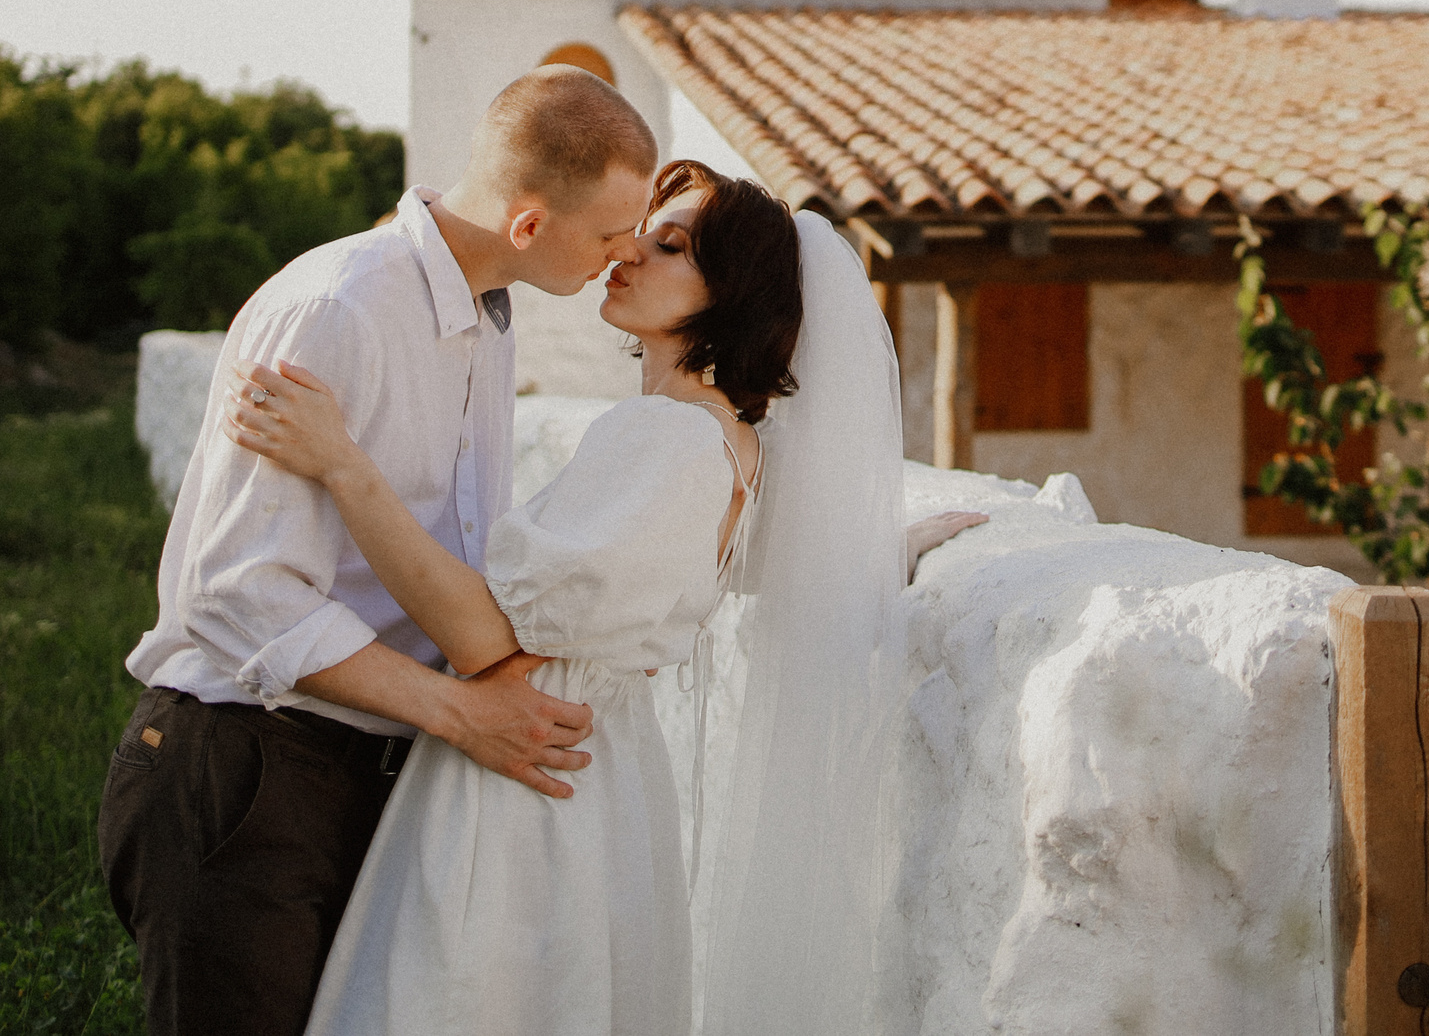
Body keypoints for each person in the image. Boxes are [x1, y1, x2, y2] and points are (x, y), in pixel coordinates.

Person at [223, 161, 985, 1035]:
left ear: (731, 292)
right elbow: (712, 562)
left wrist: (341, 463)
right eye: (637, 233)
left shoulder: (662, 434)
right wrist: (878, 551)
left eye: (671, 246)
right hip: (602, 776)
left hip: (528, 769)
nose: (629, 252)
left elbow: (487, 641)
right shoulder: (728, 442)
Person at [98, 65, 659, 1036]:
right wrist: (460, 713)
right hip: (244, 768)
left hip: (363, 774)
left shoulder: (488, 317)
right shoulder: (340, 309)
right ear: (528, 225)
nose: (626, 254)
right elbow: (233, 595)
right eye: (612, 235)